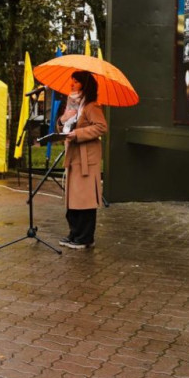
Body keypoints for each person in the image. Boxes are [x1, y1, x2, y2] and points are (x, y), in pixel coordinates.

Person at [56, 71, 107, 250]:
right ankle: (75, 233)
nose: (72, 85)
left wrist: (77, 134)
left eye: (76, 82)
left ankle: (85, 237)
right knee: (73, 199)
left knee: (84, 199)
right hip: (74, 157)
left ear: (84, 85)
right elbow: (64, 127)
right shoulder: (74, 106)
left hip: (86, 159)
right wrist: (62, 120)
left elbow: (101, 127)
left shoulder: (91, 106)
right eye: (71, 81)